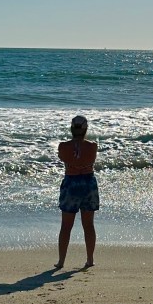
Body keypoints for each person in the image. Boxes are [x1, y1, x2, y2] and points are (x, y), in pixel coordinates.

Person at [54, 114, 99, 269]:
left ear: (71, 128)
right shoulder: (92, 146)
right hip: (88, 183)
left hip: (71, 182)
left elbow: (63, 158)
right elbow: (90, 160)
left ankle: (61, 262)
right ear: (86, 129)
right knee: (88, 225)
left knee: (66, 226)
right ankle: (90, 259)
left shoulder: (63, 146)